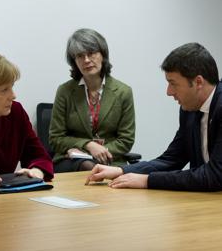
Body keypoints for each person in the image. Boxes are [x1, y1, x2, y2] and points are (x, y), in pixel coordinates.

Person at [86, 42, 222, 192]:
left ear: (198, 82)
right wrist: (122, 170)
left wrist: (148, 180)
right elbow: (172, 159)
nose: (169, 92)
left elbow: (215, 175)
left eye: (173, 83)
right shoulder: (189, 108)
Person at [0, 50, 54, 191]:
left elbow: (40, 156)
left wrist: (36, 171)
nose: (13, 95)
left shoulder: (15, 113)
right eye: (4, 90)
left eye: (12, 87)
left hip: (5, 203)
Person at [49, 28, 135, 172]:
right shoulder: (65, 91)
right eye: (80, 56)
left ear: (103, 55)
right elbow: (55, 138)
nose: (86, 60)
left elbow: (126, 140)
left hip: (111, 160)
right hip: (71, 160)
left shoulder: (123, 92)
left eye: (91, 53)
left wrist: (100, 152)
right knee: (88, 167)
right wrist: (88, 145)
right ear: (74, 61)